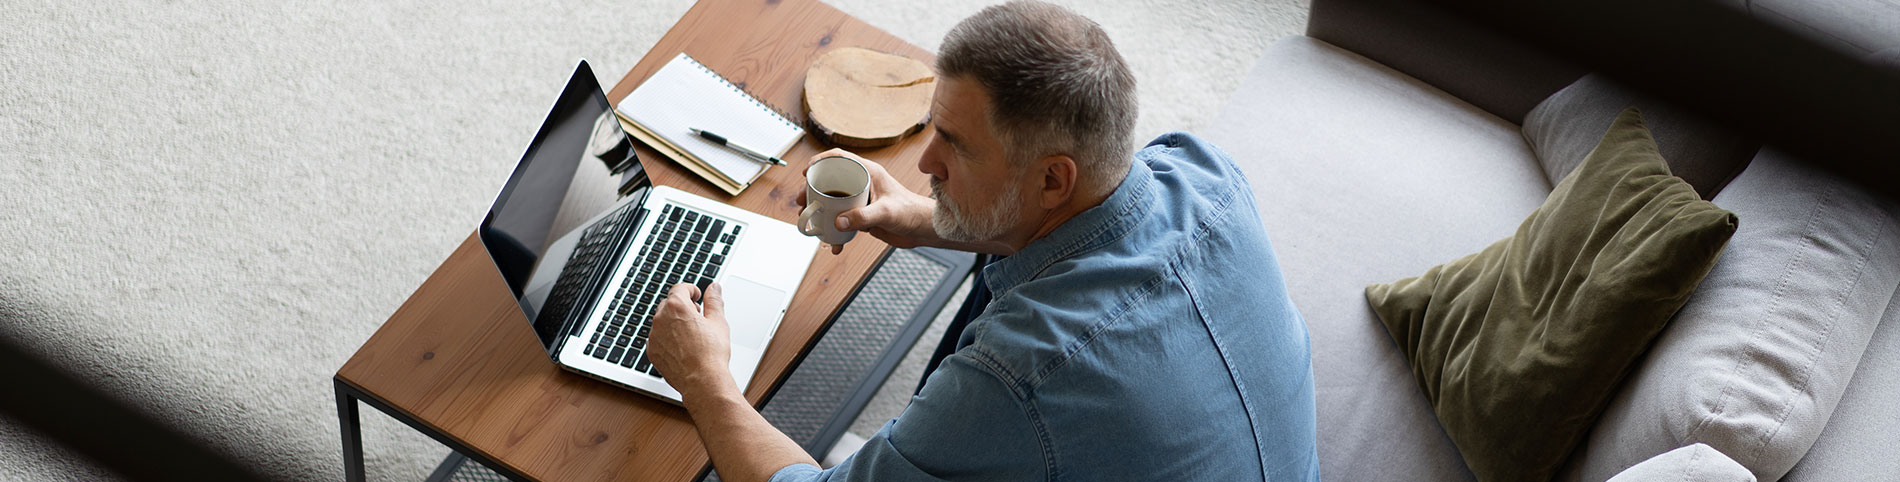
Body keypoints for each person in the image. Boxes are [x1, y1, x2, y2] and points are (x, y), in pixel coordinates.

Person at [647, 1, 1319, 480]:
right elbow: (1094, 234)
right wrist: (924, 217)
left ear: (1054, 179)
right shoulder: (1205, 172)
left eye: (957, 146)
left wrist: (705, 379)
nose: (928, 162)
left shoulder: (1020, 376)